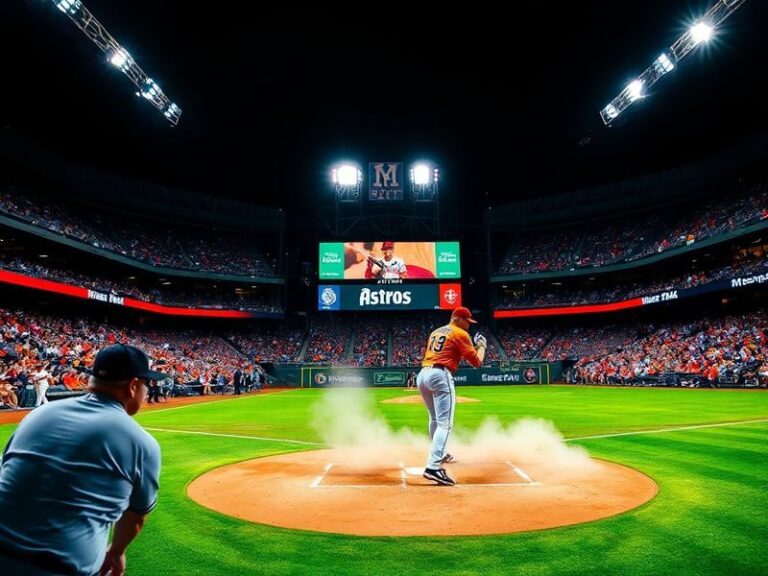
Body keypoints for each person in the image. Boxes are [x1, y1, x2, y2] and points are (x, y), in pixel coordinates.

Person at [0, 343, 165, 576]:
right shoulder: (141, 442)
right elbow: (137, 515)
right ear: (133, 386)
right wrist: (116, 551)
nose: (147, 391)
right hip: (61, 568)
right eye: (147, 384)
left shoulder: (37, 414)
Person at [417, 307, 486, 486]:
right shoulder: (459, 334)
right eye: (467, 321)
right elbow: (477, 363)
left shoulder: (437, 331)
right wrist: (482, 347)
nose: (468, 326)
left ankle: (441, 453)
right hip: (440, 374)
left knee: (434, 419)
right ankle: (433, 466)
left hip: (423, 374)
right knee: (445, 424)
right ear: (458, 319)